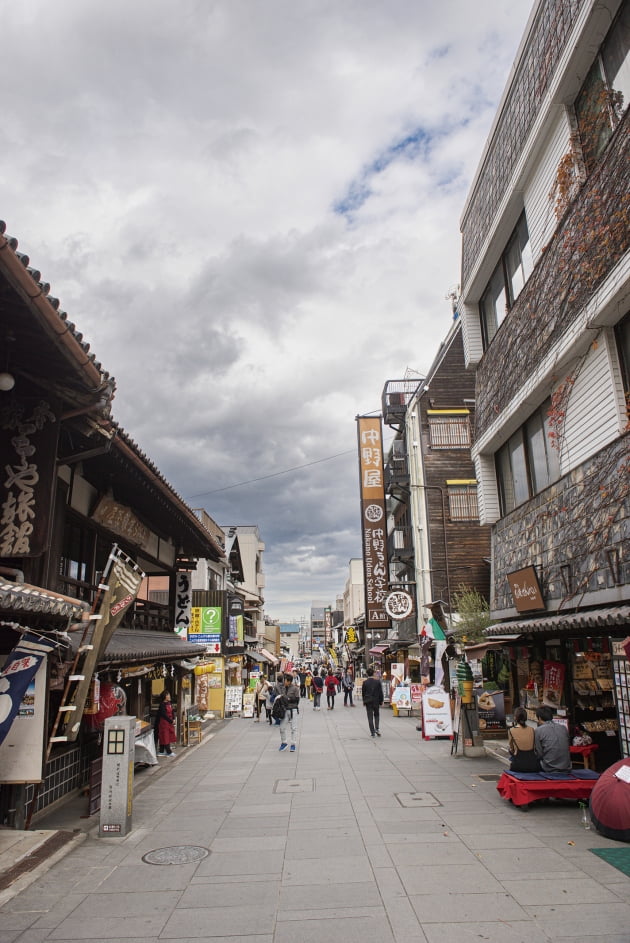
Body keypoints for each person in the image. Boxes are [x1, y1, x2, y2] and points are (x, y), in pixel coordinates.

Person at [534, 706, 571, 774]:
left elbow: (539, 754)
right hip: (566, 767)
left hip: (549, 768)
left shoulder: (538, 730)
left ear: (539, 718)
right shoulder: (563, 728)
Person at [508, 707, 540, 772]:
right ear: (526, 718)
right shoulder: (532, 729)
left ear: (515, 718)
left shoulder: (511, 730)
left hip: (518, 765)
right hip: (532, 764)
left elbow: (512, 749)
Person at [276, 672, 300, 752]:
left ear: (289, 681)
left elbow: (297, 700)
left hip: (293, 710)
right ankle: (284, 742)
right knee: (282, 727)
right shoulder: (282, 688)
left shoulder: (295, 689)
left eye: (285, 680)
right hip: (284, 710)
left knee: (293, 728)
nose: (284, 682)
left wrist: (288, 699)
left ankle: (293, 744)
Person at [361, 667, 383, 737]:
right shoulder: (377, 682)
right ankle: (377, 728)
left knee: (370, 716)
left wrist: (364, 701)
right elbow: (380, 692)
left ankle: (372, 732)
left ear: (367, 674)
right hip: (376, 700)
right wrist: (381, 700)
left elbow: (363, 693)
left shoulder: (365, 682)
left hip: (368, 701)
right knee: (376, 715)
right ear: (373, 673)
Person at [156, 691, 177, 757]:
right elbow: (163, 715)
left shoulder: (169, 703)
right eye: (168, 695)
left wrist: (173, 719)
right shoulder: (162, 704)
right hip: (164, 722)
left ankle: (161, 751)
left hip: (169, 722)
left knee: (167, 736)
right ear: (165, 696)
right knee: (165, 736)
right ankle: (168, 751)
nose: (169, 696)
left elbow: (172, 711)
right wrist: (170, 721)